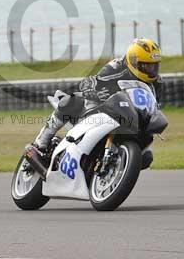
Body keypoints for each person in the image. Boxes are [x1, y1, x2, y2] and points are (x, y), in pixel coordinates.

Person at [31, 37, 162, 168]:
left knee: (145, 157)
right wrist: (90, 90)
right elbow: (91, 81)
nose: (152, 70)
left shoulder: (156, 83)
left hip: (130, 118)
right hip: (103, 106)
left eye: (155, 65)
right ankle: (42, 140)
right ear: (134, 61)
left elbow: (154, 106)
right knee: (70, 101)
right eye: (147, 65)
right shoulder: (116, 66)